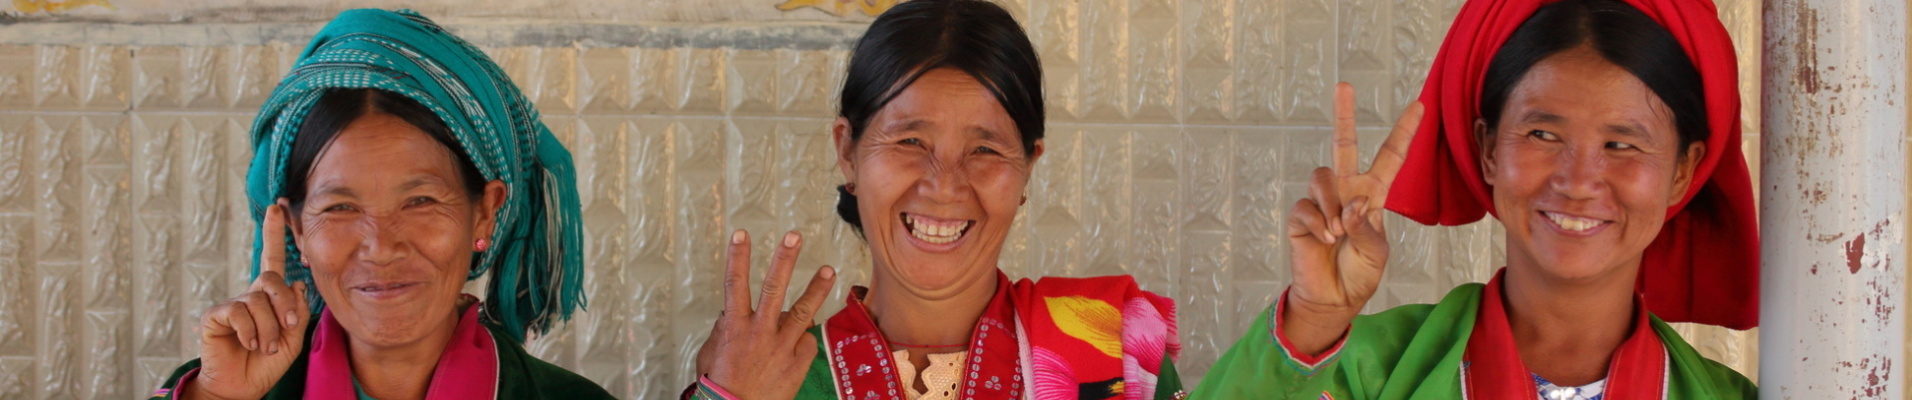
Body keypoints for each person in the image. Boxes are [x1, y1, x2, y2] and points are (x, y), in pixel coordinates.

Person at [1193, 0, 1758, 398]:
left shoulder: (1731, 397)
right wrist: (1313, 320)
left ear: (1683, 172)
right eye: (1543, 134)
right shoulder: (1363, 373)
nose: (1579, 179)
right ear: (1488, 148)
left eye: (1621, 143)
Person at [683, 1, 1185, 399]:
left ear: (1027, 166)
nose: (944, 185)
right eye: (910, 142)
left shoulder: (1109, 352)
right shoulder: (762, 377)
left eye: (984, 149)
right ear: (848, 151)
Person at [147, 9, 614, 400]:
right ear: (296, 230)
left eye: (420, 200)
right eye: (340, 208)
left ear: (485, 212)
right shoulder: (217, 388)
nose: (380, 247)